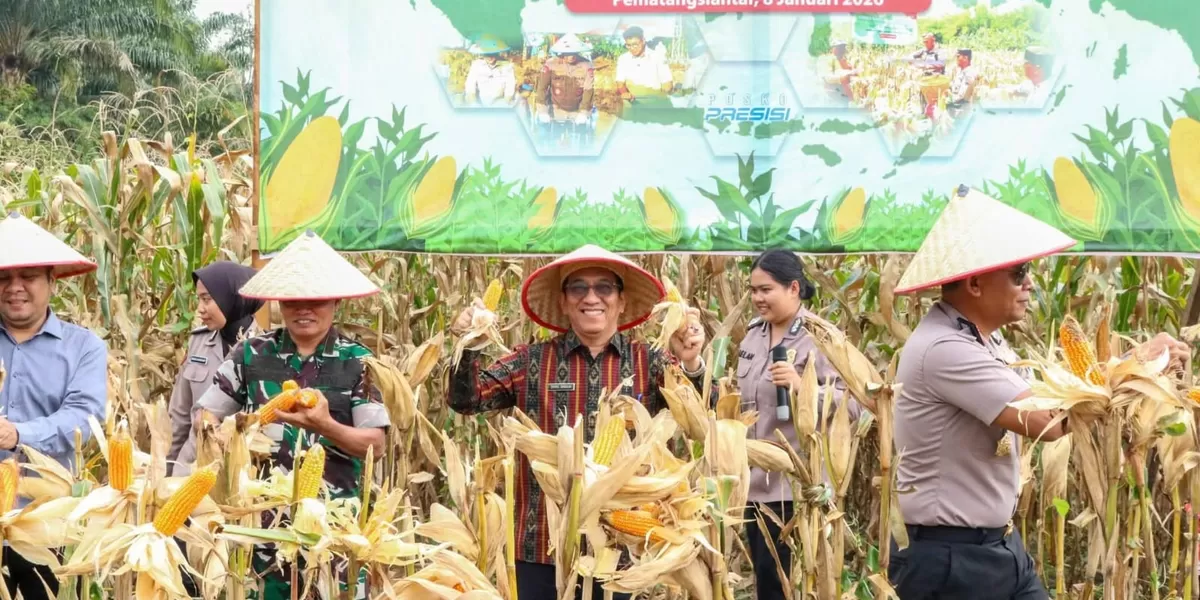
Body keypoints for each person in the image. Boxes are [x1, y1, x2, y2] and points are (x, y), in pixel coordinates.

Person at [887, 186, 1189, 599]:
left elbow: (1054, 398)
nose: (1029, 284)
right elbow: (1046, 420)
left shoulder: (983, 340)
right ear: (975, 283)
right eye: (1019, 274)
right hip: (951, 561)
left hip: (996, 548)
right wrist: (1135, 364)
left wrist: (1137, 372)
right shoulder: (945, 349)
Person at [447, 244, 709, 600]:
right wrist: (469, 344)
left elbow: (698, 421)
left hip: (625, 547)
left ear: (621, 301)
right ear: (564, 301)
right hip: (541, 545)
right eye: (578, 288)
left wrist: (691, 363)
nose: (591, 297)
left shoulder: (652, 362)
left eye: (604, 288)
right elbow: (467, 400)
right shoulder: (532, 360)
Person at [193, 230, 390, 600]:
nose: (304, 309)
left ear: (335, 302)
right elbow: (206, 414)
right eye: (293, 300)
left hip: (334, 531)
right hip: (261, 533)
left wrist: (326, 426)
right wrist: (221, 439)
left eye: (316, 300)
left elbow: (375, 445)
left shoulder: (358, 362)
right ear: (279, 302)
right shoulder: (251, 354)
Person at [737, 250, 864, 600]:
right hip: (754, 487)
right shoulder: (752, 336)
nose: (757, 298)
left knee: (795, 584)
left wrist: (802, 388)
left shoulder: (821, 338)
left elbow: (854, 406)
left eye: (766, 290)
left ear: (794, 288)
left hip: (798, 488)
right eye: (753, 290)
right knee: (767, 580)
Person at [0, 211, 107, 600]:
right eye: (4, 278)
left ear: (51, 281)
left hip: (48, 523)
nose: (14, 288)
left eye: (27, 277)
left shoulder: (84, 348)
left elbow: (85, 418)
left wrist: (17, 434)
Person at [168, 261, 263, 477]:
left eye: (207, 299)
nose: (200, 309)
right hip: (189, 470)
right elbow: (180, 416)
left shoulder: (266, 350)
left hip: (238, 478)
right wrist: (165, 471)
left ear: (232, 298)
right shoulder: (198, 342)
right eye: (199, 299)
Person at [533, 34, 595, 129]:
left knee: (582, 135)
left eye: (574, 53)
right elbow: (542, 88)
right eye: (567, 53)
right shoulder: (551, 64)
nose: (571, 56)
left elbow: (588, 90)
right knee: (545, 134)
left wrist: (583, 112)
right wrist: (542, 111)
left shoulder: (586, 66)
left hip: (577, 111)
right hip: (555, 110)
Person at [615, 26, 674, 102]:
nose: (632, 48)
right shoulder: (623, 59)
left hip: (654, 103)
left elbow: (667, 83)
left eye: (635, 44)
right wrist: (625, 93)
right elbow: (620, 82)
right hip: (632, 104)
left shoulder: (658, 57)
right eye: (628, 45)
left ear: (643, 41)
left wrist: (660, 97)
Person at [463, 34, 517, 107]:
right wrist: (474, 104)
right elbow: (470, 86)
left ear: (498, 53)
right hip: (480, 104)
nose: (490, 57)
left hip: (499, 104)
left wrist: (504, 104)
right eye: (487, 54)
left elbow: (510, 89)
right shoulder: (476, 65)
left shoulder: (507, 66)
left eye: (493, 53)